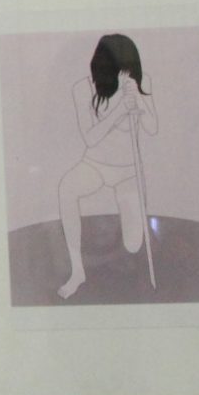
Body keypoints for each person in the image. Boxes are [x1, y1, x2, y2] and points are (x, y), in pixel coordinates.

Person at [55, 33, 160, 299]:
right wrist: (118, 110)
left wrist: (139, 100)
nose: (126, 76)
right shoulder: (84, 89)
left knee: (134, 244)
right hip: (96, 165)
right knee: (67, 188)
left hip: (128, 170)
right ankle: (77, 271)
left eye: (130, 70)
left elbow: (152, 128)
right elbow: (90, 138)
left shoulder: (139, 83)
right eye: (120, 71)